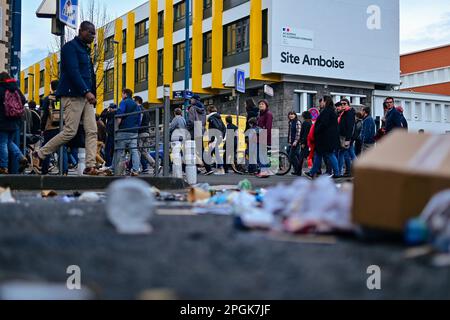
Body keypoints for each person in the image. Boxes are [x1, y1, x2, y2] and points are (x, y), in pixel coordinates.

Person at [33, 21, 100, 175]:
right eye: (90, 32)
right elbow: (73, 71)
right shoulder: (70, 48)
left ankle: (90, 166)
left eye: (94, 33)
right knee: (70, 131)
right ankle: (39, 154)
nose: (93, 35)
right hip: (73, 95)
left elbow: (90, 75)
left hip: (86, 97)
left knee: (92, 131)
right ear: (81, 31)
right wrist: (86, 91)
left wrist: (92, 94)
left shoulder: (85, 50)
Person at [305, 96, 340, 179]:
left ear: (325, 102)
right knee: (319, 155)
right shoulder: (331, 111)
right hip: (325, 138)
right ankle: (312, 172)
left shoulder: (327, 111)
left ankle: (337, 173)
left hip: (325, 139)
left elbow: (323, 124)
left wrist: (316, 130)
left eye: (322, 101)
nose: (321, 103)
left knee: (329, 154)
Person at [0, 72, 28, 174]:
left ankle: (4, 166)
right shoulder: (15, 88)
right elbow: (24, 100)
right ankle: (21, 157)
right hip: (15, 121)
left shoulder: (1, 88)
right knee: (9, 142)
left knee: (2, 143)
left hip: (3, 121)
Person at [40, 79, 69, 175]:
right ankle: (64, 171)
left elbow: (44, 115)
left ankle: (44, 170)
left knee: (47, 148)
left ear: (51, 87)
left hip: (50, 127)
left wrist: (42, 128)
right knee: (63, 148)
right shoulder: (64, 97)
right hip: (63, 126)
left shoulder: (48, 98)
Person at [114, 88, 142, 176]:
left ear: (125, 94)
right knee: (134, 151)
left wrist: (117, 127)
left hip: (124, 130)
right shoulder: (136, 105)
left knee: (120, 151)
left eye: (122, 94)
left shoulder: (123, 102)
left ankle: (119, 171)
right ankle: (135, 170)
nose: (121, 96)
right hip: (134, 131)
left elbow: (120, 115)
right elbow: (139, 119)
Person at [135, 98, 156, 174]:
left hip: (140, 132)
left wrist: (136, 128)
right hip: (147, 133)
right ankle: (155, 165)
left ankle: (136, 168)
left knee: (137, 151)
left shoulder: (139, 109)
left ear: (138, 102)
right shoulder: (147, 111)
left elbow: (139, 121)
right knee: (144, 152)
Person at [205, 105, 226, 175]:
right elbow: (224, 128)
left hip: (214, 137)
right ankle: (217, 168)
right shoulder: (219, 118)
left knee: (210, 153)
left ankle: (211, 168)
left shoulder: (212, 118)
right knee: (214, 152)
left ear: (209, 111)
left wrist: (213, 137)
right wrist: (221, 136)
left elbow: (215, 127)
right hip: (218, 137)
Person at [337, 98, 356, 176]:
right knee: (350, 154)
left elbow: (350, 127)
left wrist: (348, 139)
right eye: (341, 104)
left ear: (348, 104)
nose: (342, 105)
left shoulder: (349, 113)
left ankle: (339, 171)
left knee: (342, 153)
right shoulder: (344, 112)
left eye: (344, 104)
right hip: (344, 137)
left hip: (346, 137)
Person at [256, 99, 273, 178]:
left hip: (264, 137)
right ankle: (264, 171)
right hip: (259, 137)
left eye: (262, 104)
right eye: (259, 104)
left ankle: (264, 171)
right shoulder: (260, 114)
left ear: (266, 105)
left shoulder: (268, 114)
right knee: (261, 155)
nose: (260, 105)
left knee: (262, 155)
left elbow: (268, 127)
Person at [100, 103, 117, 168]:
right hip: (113, 133)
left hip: (111, 134)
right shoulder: (115, 113)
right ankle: (111, 164)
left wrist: (105, 110)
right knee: (112, 150)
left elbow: (102, 115)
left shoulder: (112, 113)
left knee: (108, 150)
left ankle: (108, 164)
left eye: (110, 108)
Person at [287, 111, 302, 175]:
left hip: (296, 142)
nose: (291, 115)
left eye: (292, 114)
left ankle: (298, 171)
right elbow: (290, 133)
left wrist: (296, 141)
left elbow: (298, 133)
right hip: (291, 142)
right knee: (295, 156)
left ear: (295, 115)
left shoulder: (297, 122)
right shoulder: (290, 122)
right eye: (290, 114)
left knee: (291, 157)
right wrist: (289, 142)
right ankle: (297, 170)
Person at [298, 110, 312, 175]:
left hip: (306, 143)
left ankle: (298, 171)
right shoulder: (310, 122)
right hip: (309, 142)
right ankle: (317, 170)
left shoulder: (305, 123)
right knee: (310, 157)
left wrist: (303, 142)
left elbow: (305, 134)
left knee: (301, 157)